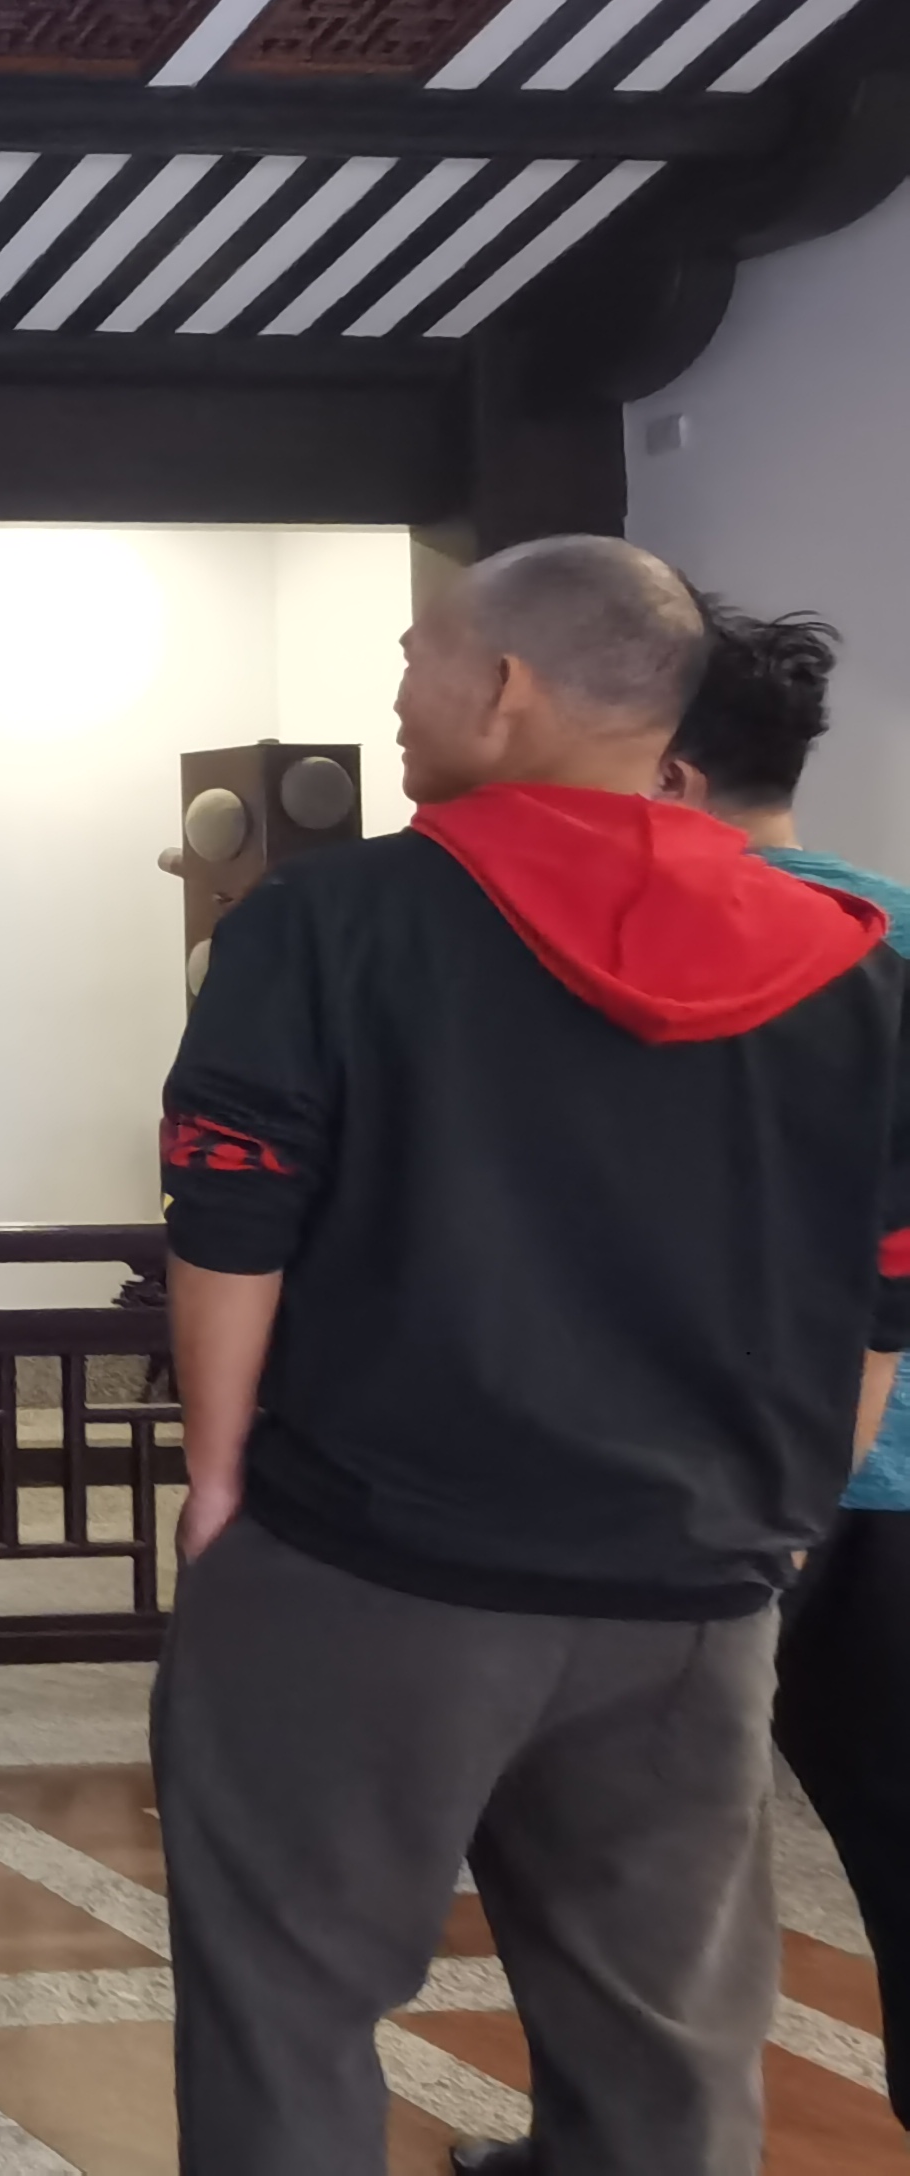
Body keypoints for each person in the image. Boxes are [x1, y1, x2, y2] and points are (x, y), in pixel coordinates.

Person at [156, 538, 910, 2176]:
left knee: (288, 1998)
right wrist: (790, 1517)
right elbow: (888, 1293)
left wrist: (216, 1477)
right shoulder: (854, 968)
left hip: (369, 1559)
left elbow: (232, 1213)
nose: (399, 690)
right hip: (693, 1591)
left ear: (502, 687)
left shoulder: (328, 920)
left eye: (417, 655)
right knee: (664, 2046)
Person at [454, 608, 910, 2175]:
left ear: (670, 770)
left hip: (686, 1488)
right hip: (890, 1479)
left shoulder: (614, 951)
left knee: (619, 1851)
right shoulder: (900, 934)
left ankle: (611, 2144)